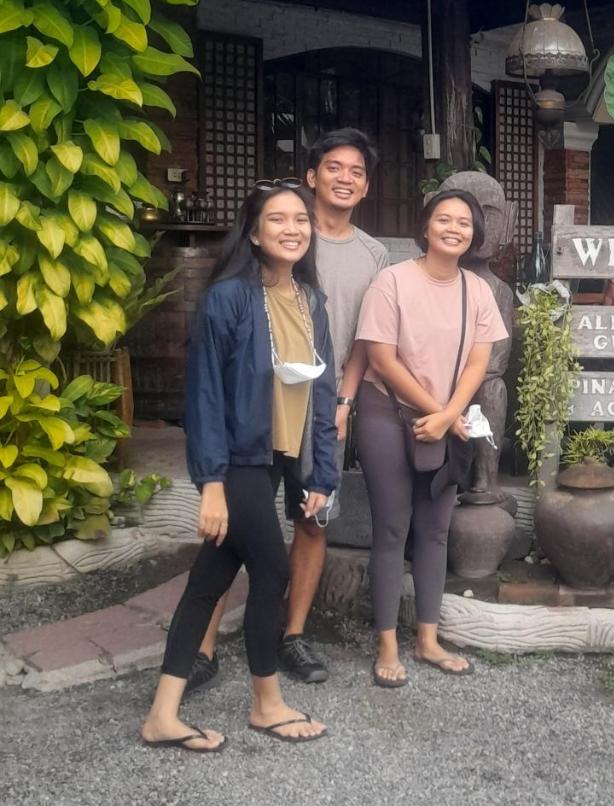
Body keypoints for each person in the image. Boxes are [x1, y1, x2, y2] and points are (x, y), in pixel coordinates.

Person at [189, 129, 389, 690]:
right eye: (333, 167)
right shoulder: (284, 236)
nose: (344, 178)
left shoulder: (373, 254)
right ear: (311, 176)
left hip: (322, 407)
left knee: (311, 519)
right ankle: (202, 646)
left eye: (356, 170)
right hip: (258, 410)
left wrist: (344, 400)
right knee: (234, 526)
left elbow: (365, 338)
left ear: (365, 185)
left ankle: (292, 636)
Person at [140, 182, 337, 751]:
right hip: (239, 460)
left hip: (279, 459)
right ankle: (266, 703)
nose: (293, 228)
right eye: (278, 219)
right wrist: (211, 484)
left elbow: (322, 395)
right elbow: (202, 396)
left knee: (208, 582)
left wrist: (320, 474)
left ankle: (162, 716)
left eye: (300, 218)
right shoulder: (227, 297)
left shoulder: (311, 301)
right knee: (272, 570)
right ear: (254, 233)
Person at [355, 189, 508, 687]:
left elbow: (478, 363)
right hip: (387, 413)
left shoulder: (477, 291)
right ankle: (386, 644)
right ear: (425, 228)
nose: (454, 228)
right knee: (393, 529)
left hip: (447, 418)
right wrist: (437, 411)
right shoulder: (392, 281)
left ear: (474, 235)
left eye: (464, 223)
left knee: (437, 531)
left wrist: (448, 414)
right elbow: (381, 358)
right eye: (444, 219)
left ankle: (428, 639)